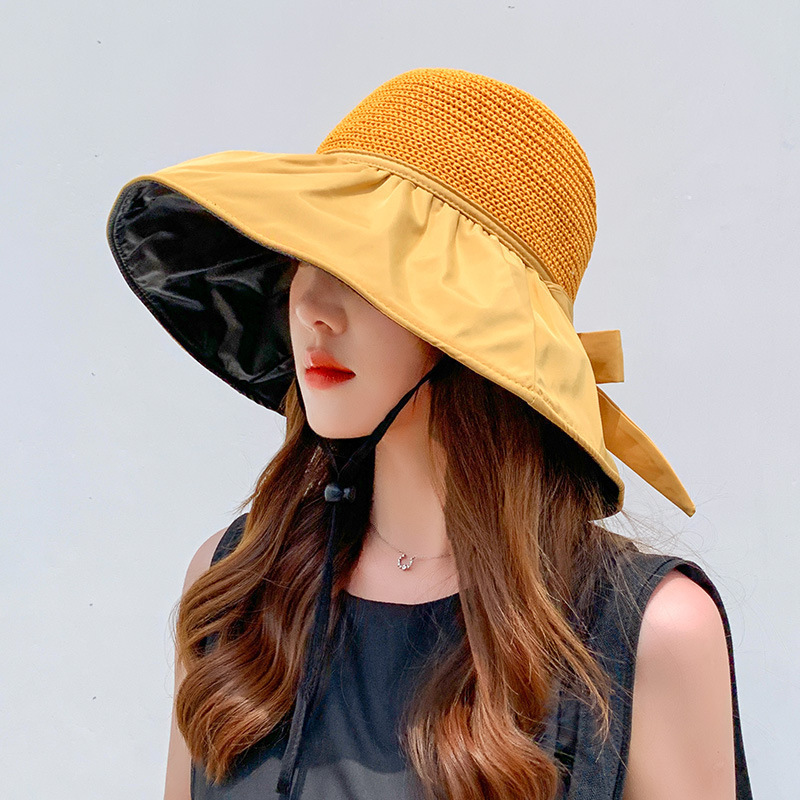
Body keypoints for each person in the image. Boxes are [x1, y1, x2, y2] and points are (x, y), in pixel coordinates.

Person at [107, 69, 752, 800]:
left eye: (367, 272)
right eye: (306, 257)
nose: (313, 306)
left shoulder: (649, 634)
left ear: (482, 332)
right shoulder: (235, 588)